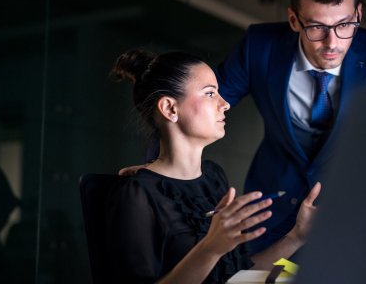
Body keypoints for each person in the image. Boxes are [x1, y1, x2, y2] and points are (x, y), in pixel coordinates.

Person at [119, 0, 366, 283]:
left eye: (345, 25)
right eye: (317, 27)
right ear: (294, 20)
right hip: (268, 216)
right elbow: (195, 104)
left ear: (359, 14)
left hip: (348, 221)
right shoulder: (260, 46)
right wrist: (160, 168)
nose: (332, 43)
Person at [107, 50, 321, 284]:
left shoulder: (213, 177)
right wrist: (210, 248)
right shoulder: (137, 193)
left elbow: (236, 278)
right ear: (170, 109)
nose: (226, 104)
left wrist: (296, 236)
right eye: (210, 93)